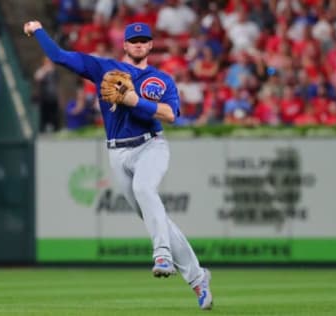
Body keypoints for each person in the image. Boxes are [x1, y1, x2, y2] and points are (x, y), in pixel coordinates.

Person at [24, 20, 213, 310]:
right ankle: (199, 279)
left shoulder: (161, 79)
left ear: (150, 45)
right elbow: (59, 57)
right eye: (134, 40)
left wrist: (135, 100)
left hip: (151, 145)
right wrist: (38, 29)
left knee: (144, 188)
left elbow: (170, 114)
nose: (139, 44)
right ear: (125, 45)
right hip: (117, 153)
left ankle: (161, 254)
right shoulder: (103, 68)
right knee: (154, 215)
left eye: (144, 40)